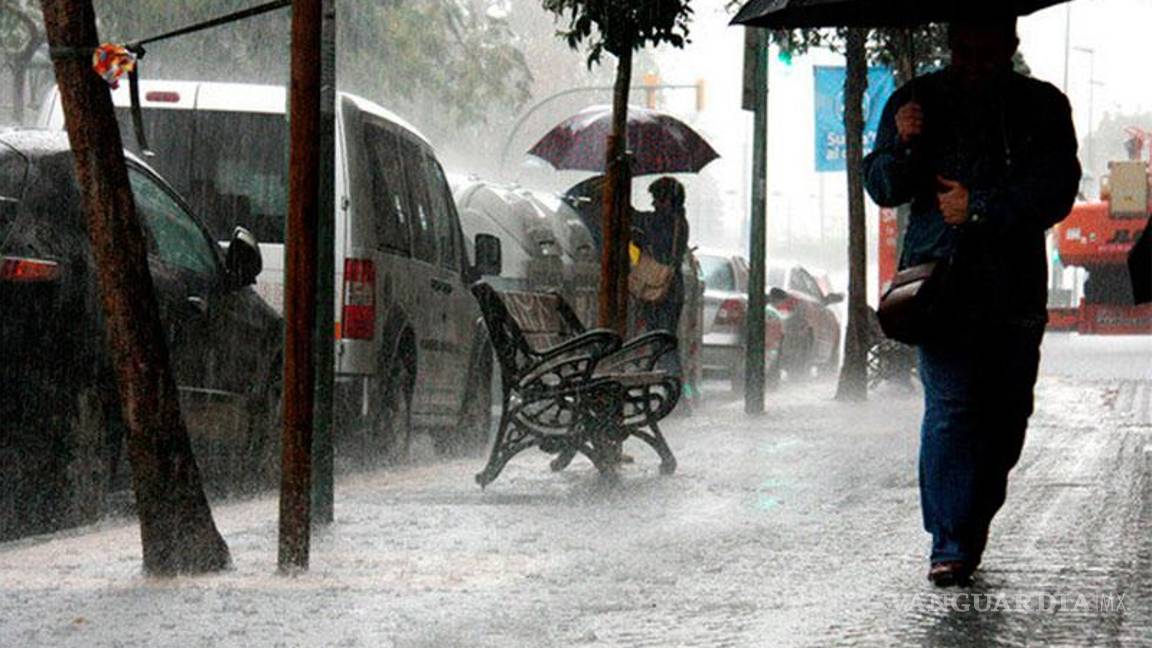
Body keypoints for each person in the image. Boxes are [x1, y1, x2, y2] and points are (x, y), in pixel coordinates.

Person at [863, 19, 1081, 587]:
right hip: (940, 288)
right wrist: (905, 144)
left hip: (1012, 291)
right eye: (964, 48)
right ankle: (951, 542)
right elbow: (883, 184)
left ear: (1009, 46)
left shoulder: (1041, 106)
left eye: (986, 50)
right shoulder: (916, 99)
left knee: (1006, 418)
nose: (973, 61)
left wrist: (980, 206)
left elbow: (1057, 188)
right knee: (953, 408)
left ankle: (967, 524)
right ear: (952, 43)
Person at [632, 176, 690, 379]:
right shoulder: (679, 221)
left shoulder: (662, 222)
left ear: (667, 200)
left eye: (656, 198)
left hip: (662, 288)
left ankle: (675, 391)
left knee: (662, 342)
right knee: (665, 340)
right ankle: (675, 389)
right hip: (673, 288)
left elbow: (636, 221)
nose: (653, 203)